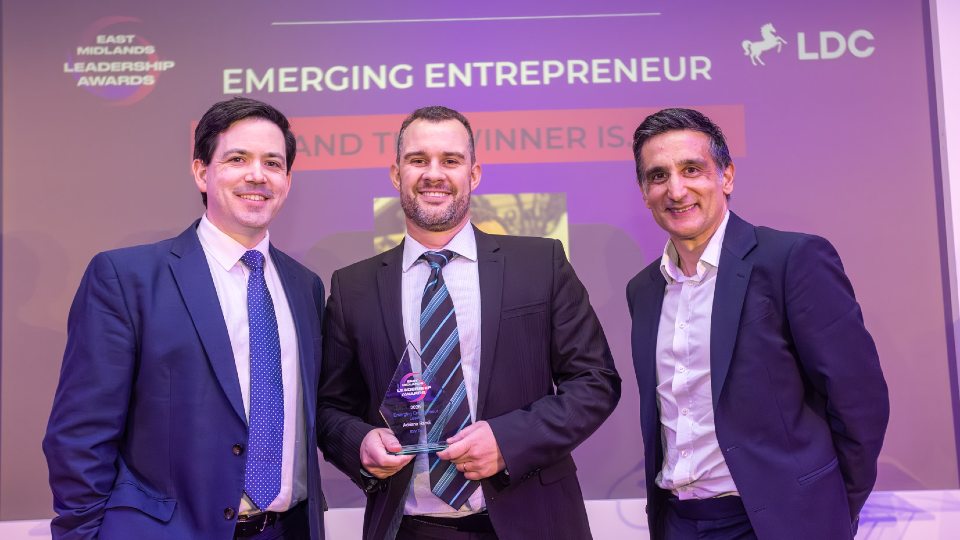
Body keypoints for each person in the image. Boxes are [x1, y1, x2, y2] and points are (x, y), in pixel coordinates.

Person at [316, 105, 620, 540]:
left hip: (534, 521)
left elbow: (596, 381)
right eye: (418, 160)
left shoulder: (540, 263)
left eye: (451, 161)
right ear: (395, 174)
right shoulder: (353, 287)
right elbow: (330, 409)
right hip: (408, 527)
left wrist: (508, 441)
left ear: (474, 174)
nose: (433, 174)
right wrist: (359, 443)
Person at [43, 97, 326, 540]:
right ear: (201, 171)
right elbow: (81, 436)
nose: (257, 174)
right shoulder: (126, 277)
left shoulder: (305, 286)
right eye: (237, 159)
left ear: (287, 180)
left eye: (273, 162)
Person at [626, 107, 889, 539]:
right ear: (644, 191)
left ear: (726, 176)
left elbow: (859, 399)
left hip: (782, 524)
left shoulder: (791, 261)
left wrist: (832, 510)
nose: (676, 189)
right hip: (678, 522)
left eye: (692, 169)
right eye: (658, 176)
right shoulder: (644, 290)